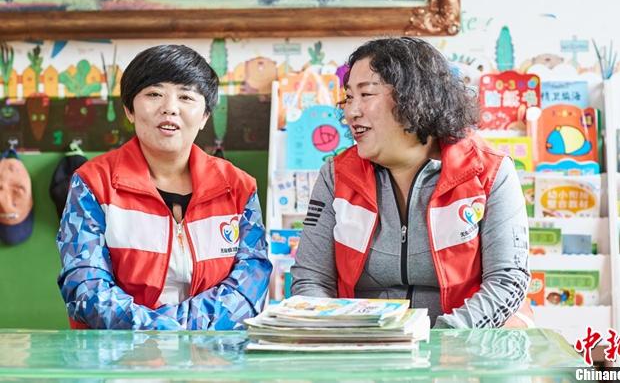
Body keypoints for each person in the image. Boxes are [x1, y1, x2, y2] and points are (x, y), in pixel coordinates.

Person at [291, 37, 532, 328]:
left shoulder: (488, 171)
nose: (351, 111)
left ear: (415, 98)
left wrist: (443, 340)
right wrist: (339, 334)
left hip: (462, 342)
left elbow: (507, 281)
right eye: (349, 97)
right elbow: (311, 278)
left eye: (366, 94)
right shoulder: (336, 175)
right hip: (362, 343)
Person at [56, 45, 271, 330]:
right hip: (119, 353)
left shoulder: (238, 187)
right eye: (154, 94)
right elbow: (85, 283)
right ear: (129, 110)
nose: (170, 107)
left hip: (213, 353)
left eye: (186, 96)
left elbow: (251, 278)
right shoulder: (93, 183)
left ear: (205, 116)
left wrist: (185, 328)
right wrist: (156, 330)